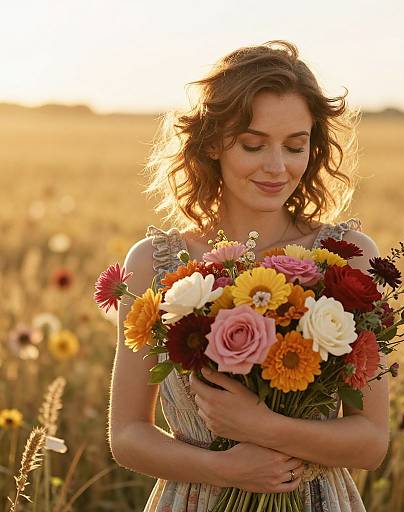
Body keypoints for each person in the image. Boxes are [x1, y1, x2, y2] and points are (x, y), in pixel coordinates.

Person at [108, 40, 389, 511]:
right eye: (253, 144)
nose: (278, 167)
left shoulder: (348, 261)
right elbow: (128, 434)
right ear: (213, 142)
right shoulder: (154, 264)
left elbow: (371, 441)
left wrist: (261, 427)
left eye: (295, 146)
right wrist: (225, 469)